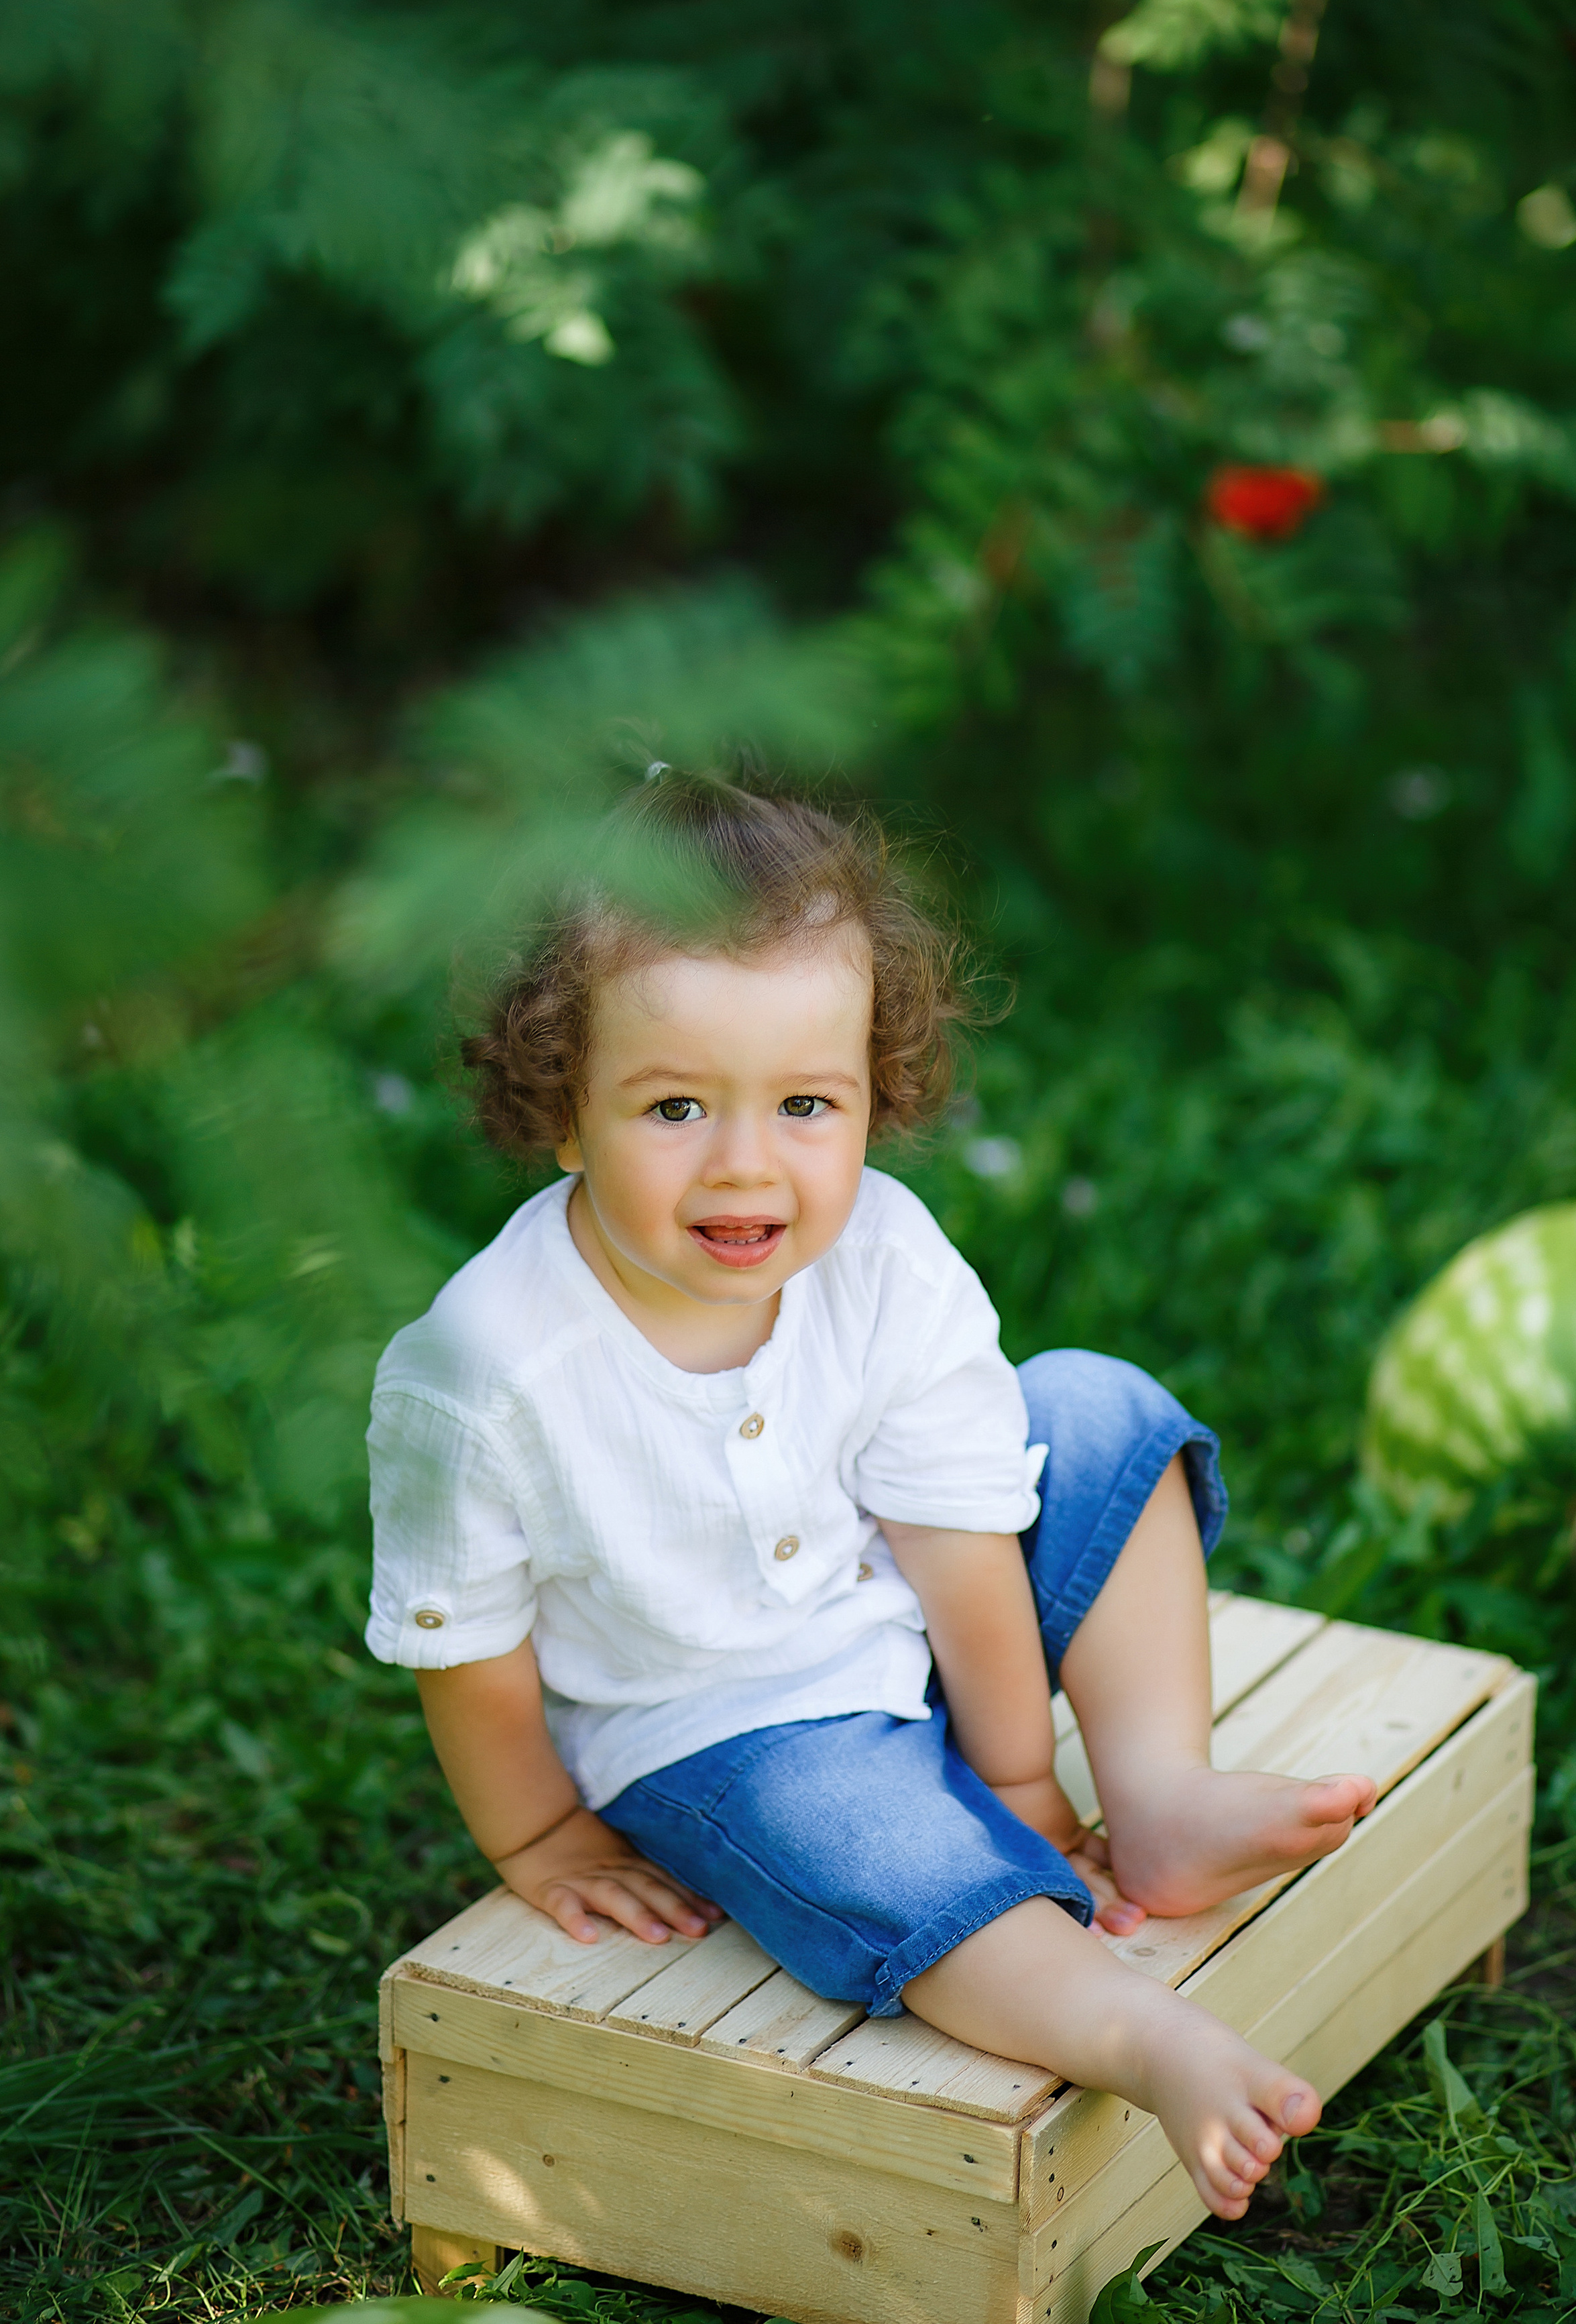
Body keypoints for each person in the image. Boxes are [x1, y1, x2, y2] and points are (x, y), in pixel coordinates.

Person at [365, 773, 1376, 2222]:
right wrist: (537, 1834)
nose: (744, 1164)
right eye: (671, 1106)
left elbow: (957, 1538)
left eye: (801, 1104)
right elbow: (467, 1644)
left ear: (869, 1093)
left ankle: (1155, 1794)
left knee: (1091, 1402)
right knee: (883, 1848)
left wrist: (1025, 1775)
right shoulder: (484, 1370)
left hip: (907, 1618)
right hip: (725, 1726)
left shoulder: (884, 1255)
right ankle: (1137, 2034)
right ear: (563, 1112)